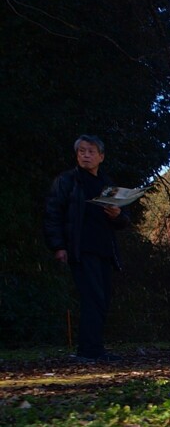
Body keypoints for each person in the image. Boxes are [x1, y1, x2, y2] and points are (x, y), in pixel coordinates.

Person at [44, 135, 131, 362]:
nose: (85, 155)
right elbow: (53, 213)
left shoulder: (107, 184)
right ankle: (89, 351)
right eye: (82, 151)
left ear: (101, 156)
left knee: (102, 299)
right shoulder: (68, 181)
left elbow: (123, 221)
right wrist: (58, 246)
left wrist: (118, 215)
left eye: (91, 151)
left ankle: (95, 348)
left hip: (105, 249)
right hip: (80, 249)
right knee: (91, 298)